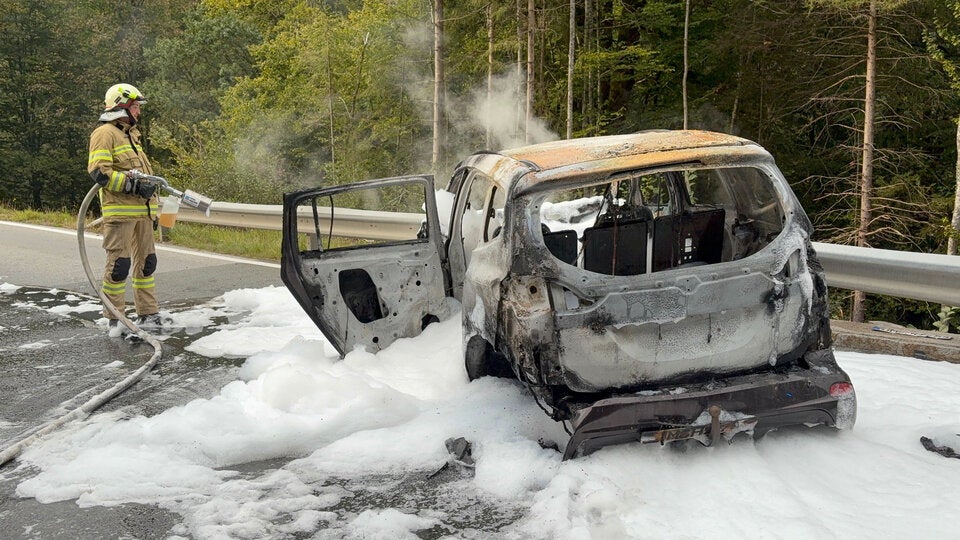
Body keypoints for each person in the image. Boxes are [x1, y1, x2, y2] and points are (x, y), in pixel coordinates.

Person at [87, 83, 164, 332]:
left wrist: (152, 203)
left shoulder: (132, 135)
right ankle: (115, 319)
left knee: (147, 263)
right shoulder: (104, 133)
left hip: (143, 213)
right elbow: (99, 172)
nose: (139, 111)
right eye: (135, 106)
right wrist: (134, 186)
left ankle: (149, 314)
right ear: (121, 106)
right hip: (120, 213)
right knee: (119, 267)